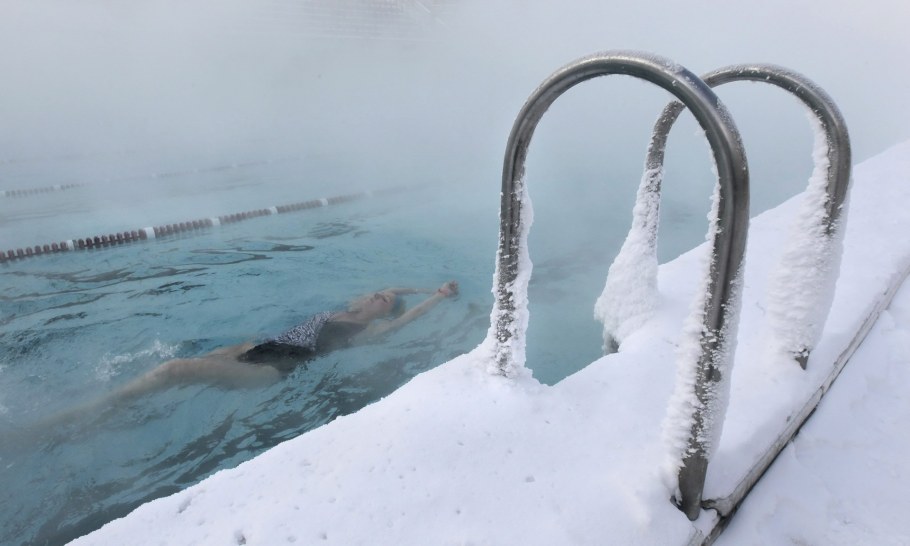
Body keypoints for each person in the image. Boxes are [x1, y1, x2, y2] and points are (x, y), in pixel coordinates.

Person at [105, 281, 460, 403]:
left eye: (383, 300)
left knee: (174, 369)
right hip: (255, 348)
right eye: (378, 292)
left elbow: (408, 316)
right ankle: (121, 398)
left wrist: (438, 295)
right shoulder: (341, 311)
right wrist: (419, 287)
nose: (377, 296)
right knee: (176, 370)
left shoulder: (367, 331)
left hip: (273, 369)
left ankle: (103, 406)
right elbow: (395, 289)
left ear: (384, 313)